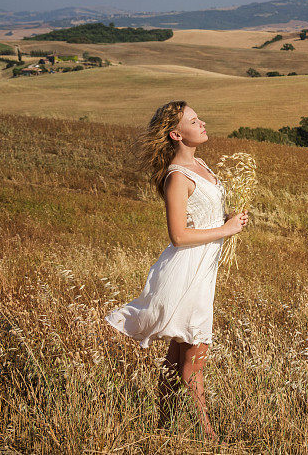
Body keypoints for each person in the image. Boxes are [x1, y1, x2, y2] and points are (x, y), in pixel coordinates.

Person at [105, 100, 248, 442]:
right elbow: (179, 235)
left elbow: (206, 216)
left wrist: (231, 218)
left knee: (176, 356)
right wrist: (226, 230)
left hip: (204, 268)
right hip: (188, 272)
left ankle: (161, 429)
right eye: (193, 121)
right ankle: (210, 438)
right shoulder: (177, 177)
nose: (202, 123)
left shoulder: (201, 164)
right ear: (176, 134)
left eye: (199, 118)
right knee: (195, 355)